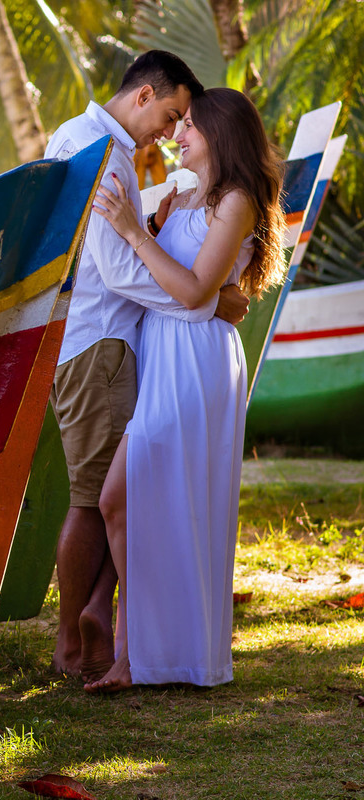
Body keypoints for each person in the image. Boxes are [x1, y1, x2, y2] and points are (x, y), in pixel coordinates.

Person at [45, 51, 250, 681]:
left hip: (111, 346)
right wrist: (207, 302)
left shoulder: (76, 138)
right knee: (98, 498)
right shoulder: (103, 156)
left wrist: (199, 287)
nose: (170, 131)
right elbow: (119, 270)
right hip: (105, 343)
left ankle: (101, 634)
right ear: (144, 96)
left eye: (183, 122)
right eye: (169, 115)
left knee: (117, 495)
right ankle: (77, 642)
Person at [85, 88, 287, 691]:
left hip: (197, 362)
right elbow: (172, 286)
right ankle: (136, 655)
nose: (177, 136)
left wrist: (133, 232)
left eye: (190, 126)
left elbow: (196, 289)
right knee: (128, 502)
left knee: (152, 500)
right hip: (162, 351)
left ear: (220, 135)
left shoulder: (237, 202)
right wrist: (145, 227)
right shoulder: (178, 193)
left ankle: (170, 656)